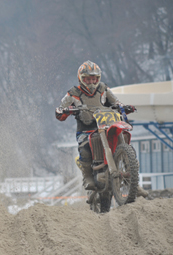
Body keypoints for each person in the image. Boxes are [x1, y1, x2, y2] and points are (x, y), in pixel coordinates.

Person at [55, 60, 147, 197]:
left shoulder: (103, 89)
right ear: (81, 78)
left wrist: (124, 107)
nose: (91, 82)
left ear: (98, 78)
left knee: (126, 143)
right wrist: (65, 111)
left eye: (94, 79)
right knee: (85, 147)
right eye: (88, 79)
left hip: (106, 125)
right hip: (86, 129)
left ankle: (134, 182)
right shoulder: (73, 93)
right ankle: (88, 177)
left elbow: (116, 102)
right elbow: (60, 111)